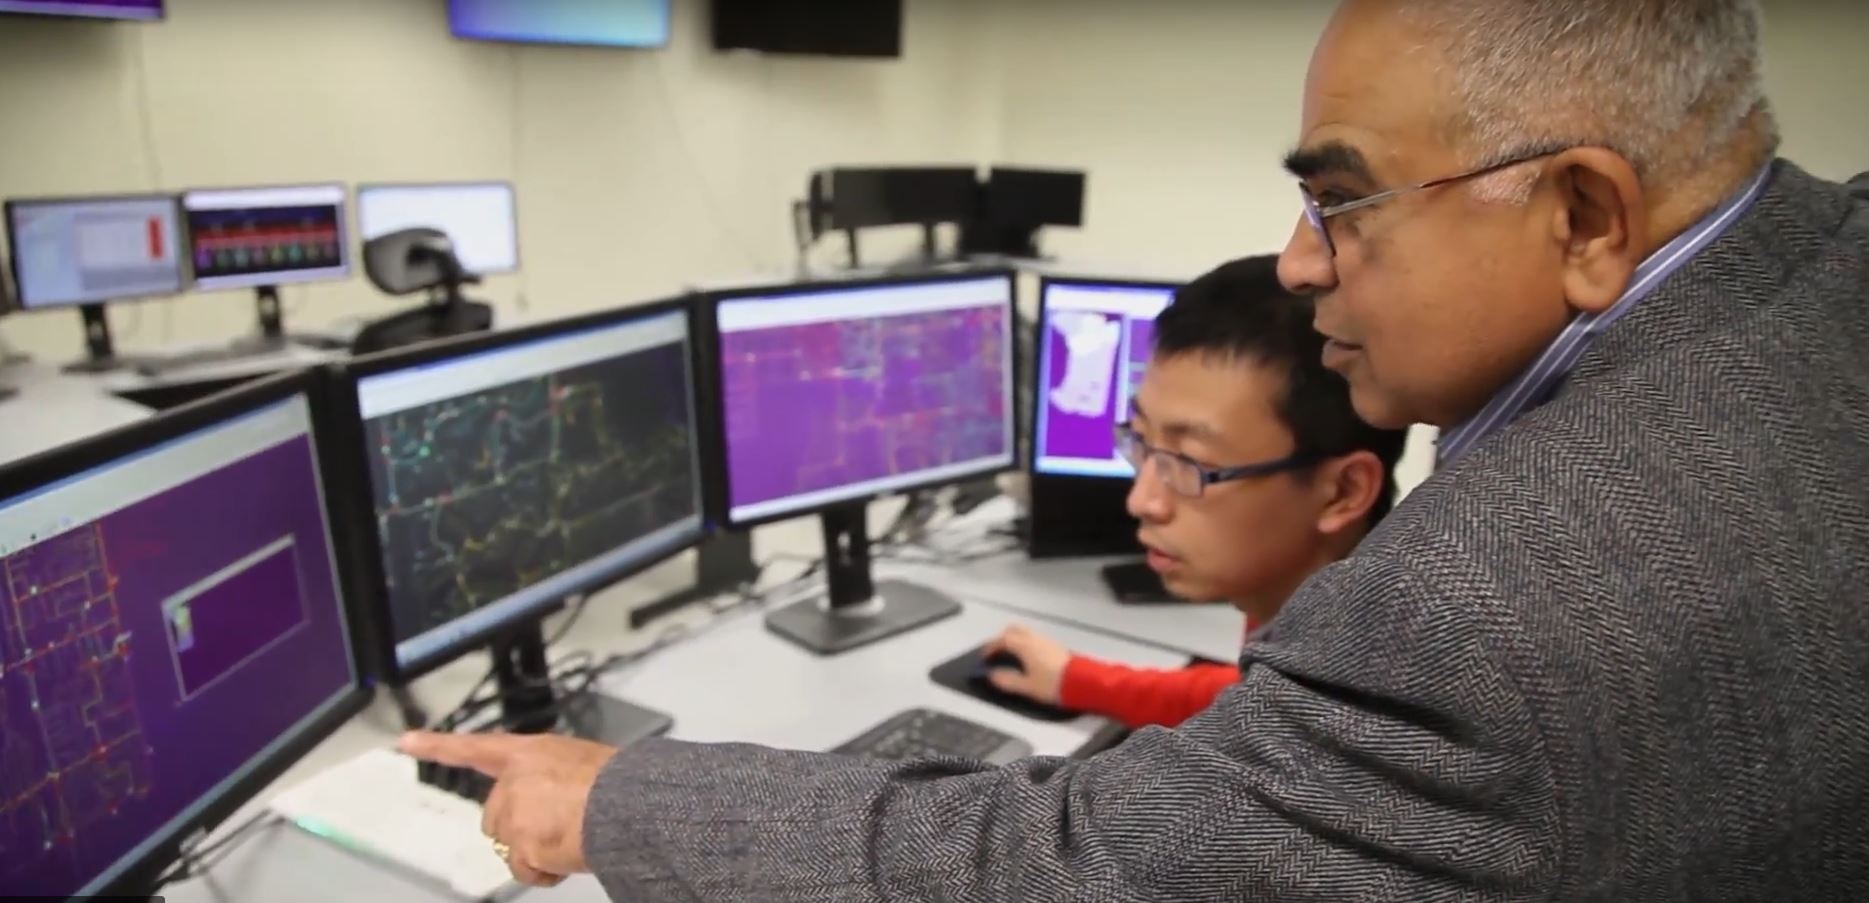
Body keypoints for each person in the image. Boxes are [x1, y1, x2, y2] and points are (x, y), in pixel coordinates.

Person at [402, 0, 1869, 898]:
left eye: (1342, 204)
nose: (1301, 263)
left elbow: (1084, 873)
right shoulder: (1826, 283)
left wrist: (618, 800)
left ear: (1585, 217)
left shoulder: (1502, 589)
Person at [984, 255, 1406, 729]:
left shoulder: (1357, 718)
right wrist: (1076, 679)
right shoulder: (1323, 629)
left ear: (1342, 493)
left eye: (1195, 463)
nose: (1142, 502)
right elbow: (1245, 697)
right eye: (1141, 440)